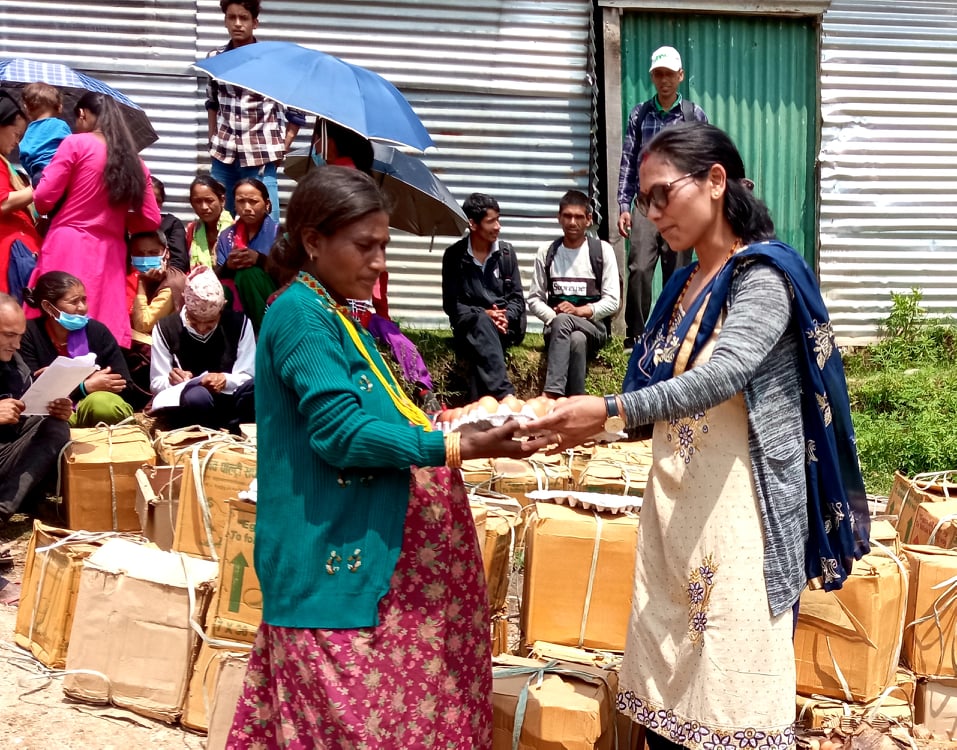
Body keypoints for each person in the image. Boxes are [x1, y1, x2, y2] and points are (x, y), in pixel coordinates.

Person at [523, 122, 870, 750]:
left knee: (734, 699)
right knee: (669, 698)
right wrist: (563, 427)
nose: (654, 214)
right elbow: (655, 399)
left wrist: (605, 410)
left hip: (742, 520)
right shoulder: (679, 288)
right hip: (675, 511)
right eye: (645, 201)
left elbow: (725, 374)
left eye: (663, 195)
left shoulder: (762, 279)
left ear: (715, 182)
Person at [227, 165, 547, 747]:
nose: (379, 263)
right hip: (329, 563)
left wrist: (447, 420)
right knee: (352, 723)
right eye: (365, 246)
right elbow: (341, 433)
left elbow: (378, 411)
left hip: (372, 558)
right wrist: (455, 444)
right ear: (313, 242)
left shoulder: (339, 313)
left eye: (384, 246)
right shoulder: (299, 314)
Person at [31, 91, 161, 349]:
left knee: (55, 324)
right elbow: (151, 218)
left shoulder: (75, 144)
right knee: (100, 334)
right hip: (110, 254)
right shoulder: (135, 161)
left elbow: (43, 199)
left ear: (82, 114)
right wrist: (119, 219)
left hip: (67, 245)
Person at [617, 45, 708, 348]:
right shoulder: (640, 114)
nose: (664, 80)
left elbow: (704, 160)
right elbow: (629, 160)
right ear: (653, 77)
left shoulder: (694, 115)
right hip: (646, 202)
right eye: (658, 74)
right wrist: (622, 204)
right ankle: (636, 334)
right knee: (640, 267)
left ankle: (674, 331)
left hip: (681, 204)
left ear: (680, 76)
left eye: (669, 74)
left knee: (678, 269)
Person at [205, 0, 305, 223]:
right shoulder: (216, 58)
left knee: (266, 224)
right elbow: (212, 101)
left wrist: (283, 146)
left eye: (244, 18)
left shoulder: (272, 62)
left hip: (260, 156)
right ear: (225, 21)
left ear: (255, 23)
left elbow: (296, 110)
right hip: (223, 154)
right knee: (221, 221)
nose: (237, 24)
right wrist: (212, 137)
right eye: (232, 18)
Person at [527, 190, 619, 397]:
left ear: (589, 220)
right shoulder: (547, 252)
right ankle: (576, 400)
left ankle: (551, 394)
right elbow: (534, 298)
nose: (572, 222)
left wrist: (577, 311)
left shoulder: (602, 251)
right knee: (576, 339)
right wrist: (555, 318)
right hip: (556, 329)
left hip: (595, 328)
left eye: (578, 217)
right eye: (567, 216)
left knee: (567, 323)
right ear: (559, 218)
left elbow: (613, 301)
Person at [21, 272, 136, 426]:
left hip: (95, 415)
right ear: (48, 307)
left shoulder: (96, 331)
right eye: (74, 302)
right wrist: (85, 386)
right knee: (50, 418)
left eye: (84, 300)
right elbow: (31, 391)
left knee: (102, 403)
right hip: (54, 414)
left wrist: (58, 382)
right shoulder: (28, 333)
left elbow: (125, 385)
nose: (82, 308)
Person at [441, 192, 526, 399]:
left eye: (498, 219)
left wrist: (504, 317)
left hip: (506, 327)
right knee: (480, 323)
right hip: (470, 325)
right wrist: (484, 314)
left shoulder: (506, 253)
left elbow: (517, 299)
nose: (498, 226)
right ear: (472, 224)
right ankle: (504, 394)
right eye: (491, 221)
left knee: (480, 341)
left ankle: (486, 404)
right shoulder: (454, 256)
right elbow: (452, 305)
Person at [150, 266, 255, 432]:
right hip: (191, 400)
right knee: (197, 397)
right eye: (194, 321)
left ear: (222, 309)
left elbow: (248, 375)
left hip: (231, 399)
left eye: (210, 322)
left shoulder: (240, 324)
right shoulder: (165, 328)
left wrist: (224, 380)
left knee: (257, 387)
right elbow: (156, 383)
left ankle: (236, 428)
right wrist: (172, 381)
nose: (201, 328)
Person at [0, 293, 72, 525]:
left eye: (20, 336)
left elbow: (24, 415)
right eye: (9, 335)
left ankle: (8, 505)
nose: (17, 345)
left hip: (5, 451)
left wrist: (55, 407)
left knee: (55, 426)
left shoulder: (15, 365)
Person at [214, 177, 277, 333]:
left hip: (270, 300)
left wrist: (260, 260)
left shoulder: (279, 234)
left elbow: (289, 277)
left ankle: (264, 332)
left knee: (248, 274)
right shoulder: (226, 236)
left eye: (253, 201)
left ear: (267, 204)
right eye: (241, 201)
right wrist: (228, 266)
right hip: (235, 300)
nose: (247, 207)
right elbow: (217, 276)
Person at [0, 92, 41, 304]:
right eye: (16, 134)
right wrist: (39, 188)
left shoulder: (6, 166)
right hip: (7, 262)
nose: (18, 142)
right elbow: (3, 202)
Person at [17, 83, 72, 186]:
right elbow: (73, 148)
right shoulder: (60, 125)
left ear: (27, 109)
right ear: (59, 107)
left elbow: (23, 155)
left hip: (38, 177)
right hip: (59, 173)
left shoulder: (29, 130)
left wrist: (33, 173)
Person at [186, 173, 233, 269]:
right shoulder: (191, 231)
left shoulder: (235, 230)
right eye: (198, 201)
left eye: (209, 200)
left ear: (222, 200)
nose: (204, 207)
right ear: (191, 203)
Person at [151, 176, 189, 273]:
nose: (152, 205)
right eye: (148, 200)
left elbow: (179, 262)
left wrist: (162, 275)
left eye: (157, 201)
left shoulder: (172, 224)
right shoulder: (127, 224)